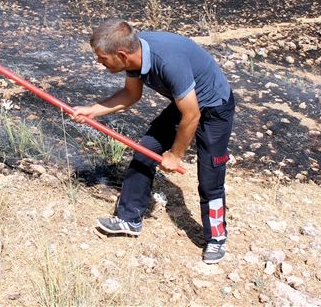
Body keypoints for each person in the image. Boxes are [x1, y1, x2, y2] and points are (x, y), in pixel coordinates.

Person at [72, 19, 235, 264]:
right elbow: (131, 94)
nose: (99, 63)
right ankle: (129, 219)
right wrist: (92, 110)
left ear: (121, 55)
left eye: (102, 58)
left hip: (214, 108)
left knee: (210, 178)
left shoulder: (168, 62)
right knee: (144, 152)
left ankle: (216, 238)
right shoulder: (135, 53)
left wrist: (176, 154)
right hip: (186, 104)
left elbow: (192, 114)